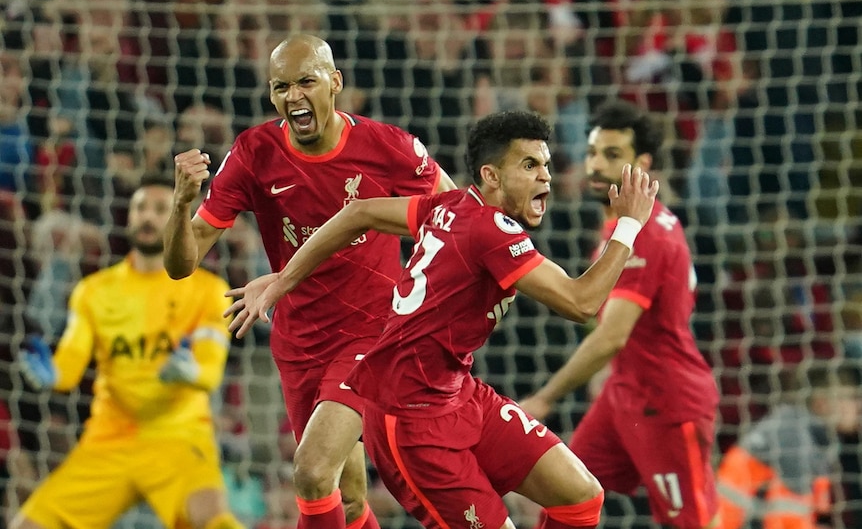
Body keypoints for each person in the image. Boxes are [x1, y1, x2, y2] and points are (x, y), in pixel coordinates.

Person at [226, 110, 660, 529]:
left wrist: (284, 279)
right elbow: (581, 303)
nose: (545, 175)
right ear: (491, 176)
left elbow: (356, 212)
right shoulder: (490, 231)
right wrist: (628, 226)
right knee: (323, 477)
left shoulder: (447, 206)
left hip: (459, 394)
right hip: (411, 422)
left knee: (581, 497)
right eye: (529, 165)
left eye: (545, 164)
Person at [164, 34, 456, 529]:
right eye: (281, 87)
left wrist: (427, 294)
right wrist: (180, 204)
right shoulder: (254, 153)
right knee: (348, 501)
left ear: (335, 82)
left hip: (373, 336)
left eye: (306, 81)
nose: (294, 96)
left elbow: (456, 217)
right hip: (299, 342)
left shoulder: (389, 147)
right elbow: (181, 264)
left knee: (312, 473)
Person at [518, 99, 721, 529]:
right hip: (623, 394)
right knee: (565, 497)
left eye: (612, 156)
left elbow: (613, 335)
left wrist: (545, 398)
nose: (596, 166)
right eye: (593, 153)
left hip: (666, 402)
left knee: (690, 523)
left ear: (642, 164)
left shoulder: (642, 236)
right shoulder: (626, 227)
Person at [11, 173, 242, 529]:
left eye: (160, 208)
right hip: (108, 440)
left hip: (178, 437)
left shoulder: (208, 290)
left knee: (215, 522)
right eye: (140, 208)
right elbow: (71, 363)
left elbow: (210, 371)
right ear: (129, 216)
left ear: (180, 217)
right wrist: (52, 375)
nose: (147, 216)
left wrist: (191, 372)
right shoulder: (95, 291)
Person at [716, 363, 861, 529]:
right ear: (822, 403)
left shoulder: (805, 433)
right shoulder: (793, 437)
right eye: (850, 397)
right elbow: (785, 521)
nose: (858, 406)